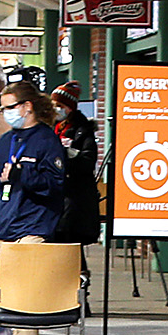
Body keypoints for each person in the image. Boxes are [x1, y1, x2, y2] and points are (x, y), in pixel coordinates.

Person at [0, 78, 69, 335]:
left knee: (24, 289)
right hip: (6, 222)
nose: (5, 114)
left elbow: (55, 185)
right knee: (9, 290)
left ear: (26, 107)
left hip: (34, 225)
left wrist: (23, 177)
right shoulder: (7, 140)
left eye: (9, 108)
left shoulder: (46, 140)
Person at [50, 84, 102, 244]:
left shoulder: (83, 130)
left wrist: (65, 154)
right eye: (54, 105)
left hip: (75, 195)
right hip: (56, 192)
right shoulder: (52, 128)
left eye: (60, 106)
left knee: (67, 234)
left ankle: (78, 268)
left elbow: (87, 161)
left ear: (70, 108)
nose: (56, 109)